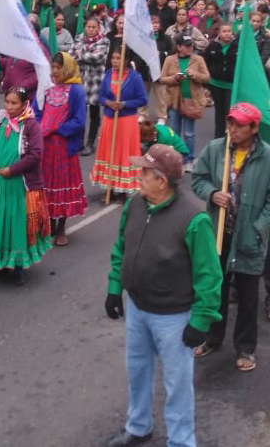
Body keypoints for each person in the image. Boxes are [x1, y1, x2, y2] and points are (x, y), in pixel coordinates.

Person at [103, 144, 222, 447]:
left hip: (174, 317)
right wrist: (115, 289)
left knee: (177, 384)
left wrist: (201, 320)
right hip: (138, 308)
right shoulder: (135, 204)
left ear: (162, 181)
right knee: (138, 371)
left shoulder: (195, 219)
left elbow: (209, 276)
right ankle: (139, 425)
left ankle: (182, 442)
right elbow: (121, 248)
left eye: (144, 172)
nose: (138, 176)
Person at [190, 103, 270, 372]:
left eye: (240, 125)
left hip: (250, 236)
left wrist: (260, 225)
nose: (233, 129)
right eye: (230, 123)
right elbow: (198, 179)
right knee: (216, 291)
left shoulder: (267, 156)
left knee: (248, 295)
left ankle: (245, 348)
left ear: (254, 128)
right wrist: (213, 193)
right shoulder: (215, 149)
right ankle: (213, 338)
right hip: (218, 232)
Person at [0, 87, 50, 286]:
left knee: (15, 224)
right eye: (7, 101)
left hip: (17, 184)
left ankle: (17, 266)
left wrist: (12, 170)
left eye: (14, 103)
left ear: (25, 104)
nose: (9, 106)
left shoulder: (31, 125)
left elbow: (35, 155)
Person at [34, 53, 88, 247]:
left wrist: (57, 128)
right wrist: (40, 128)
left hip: (64, 146)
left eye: (59, 67)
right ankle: (48, 223)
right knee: (46, 184)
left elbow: (79, 121)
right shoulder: (46, 87)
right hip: (45, 146)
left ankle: (61, 227)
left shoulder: (76, 91)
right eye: (53, 67)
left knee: (62, 186)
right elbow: (36, 110)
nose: (55, 71)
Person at [91, 50, 148, 200]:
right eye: (113, 58)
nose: (115, 61)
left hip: (126, 122)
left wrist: (124, 104)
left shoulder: (135, 78)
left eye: (118, 58)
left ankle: (122, 190)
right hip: (109, 120)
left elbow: (143, 99)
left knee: (123, 153)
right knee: (109, 153)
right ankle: (108, 187)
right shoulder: (109, 74)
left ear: (126, 60)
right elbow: (101, 96)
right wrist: (108, 102)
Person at [159, 34, 210, 168]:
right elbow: (162, 79)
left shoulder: (198, 59)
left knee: (189, 133)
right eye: (187, 46)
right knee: (174, 132)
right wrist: (174, 78)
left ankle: (189, 159)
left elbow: (206, 78)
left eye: (191, 45)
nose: (190, 48)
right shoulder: (170, 60)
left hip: (191, 101)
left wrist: (195, 75)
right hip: (174, 100)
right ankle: (177, 160)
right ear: (179, 47)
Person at [72, 17, 111, 155]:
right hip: (79, 80)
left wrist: (80, 54)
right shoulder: (78, 38)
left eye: (94, 27)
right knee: (80, 112)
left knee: (94, 113)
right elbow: (71, 56)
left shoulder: (104, 41)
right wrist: (84, 56)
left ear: (98, 28)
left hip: (95, 82)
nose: (91, 29)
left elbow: (98, 58)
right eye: (89, 27)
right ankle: (79, 141)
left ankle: (90, 142)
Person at [204, 23, 238, 138]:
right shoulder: (212, 46)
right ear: (219, 33)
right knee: (219, 110)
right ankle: (218, 136)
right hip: (216, 83)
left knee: (230, 111)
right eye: (224, 31)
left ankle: (230, 134)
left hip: (231, 84)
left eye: (229, 31)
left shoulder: (237, 46)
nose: (227, 33)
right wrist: (206, 85)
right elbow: (206, 63)